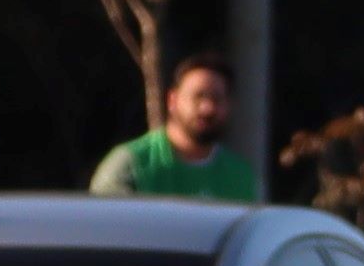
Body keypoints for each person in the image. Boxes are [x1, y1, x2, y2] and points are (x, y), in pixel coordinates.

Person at [89, 53, 260, 204]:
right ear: (173, 100)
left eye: (217, 99)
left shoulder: (241, 177)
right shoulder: (132, 164)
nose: (207, 108)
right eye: (198, 97)